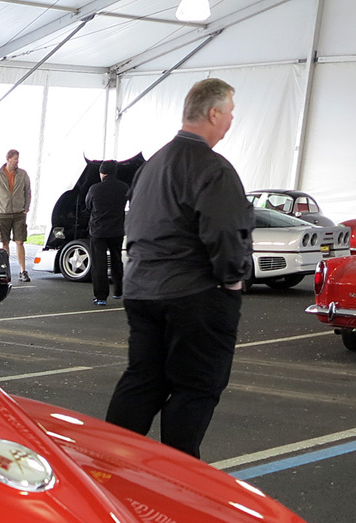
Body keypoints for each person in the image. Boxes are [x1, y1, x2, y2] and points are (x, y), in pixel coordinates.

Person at [104, 78, 252, 459]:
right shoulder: (213, 169)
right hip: (194, 295)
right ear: (214, 113)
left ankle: (106, 464)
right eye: (230, 113)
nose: (231, 122)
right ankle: (179, 477)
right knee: (196, 387)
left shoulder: (152, 165)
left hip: (141, 290)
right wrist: (232, 282)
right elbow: (225, 234)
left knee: (143, 381)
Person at [85, 159, 129, 306]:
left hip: (98, 231)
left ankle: (101, 296)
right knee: (117, 260)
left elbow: (88, 205)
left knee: (100, 264)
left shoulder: (94, 189)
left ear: (102, 173)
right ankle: (118, 291)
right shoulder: (124, 187)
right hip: (117, 230)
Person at [0, 148, 32, 282]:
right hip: (3, 213)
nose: (17, 162)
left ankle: (22, 271)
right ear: (8, 159)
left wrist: (25, 208)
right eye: (15, 159)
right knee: (5, 243)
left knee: (20, 242)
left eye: (18, 159)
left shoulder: (23, 174)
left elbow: (27, 192)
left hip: (19, 213)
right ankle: (5, 270)